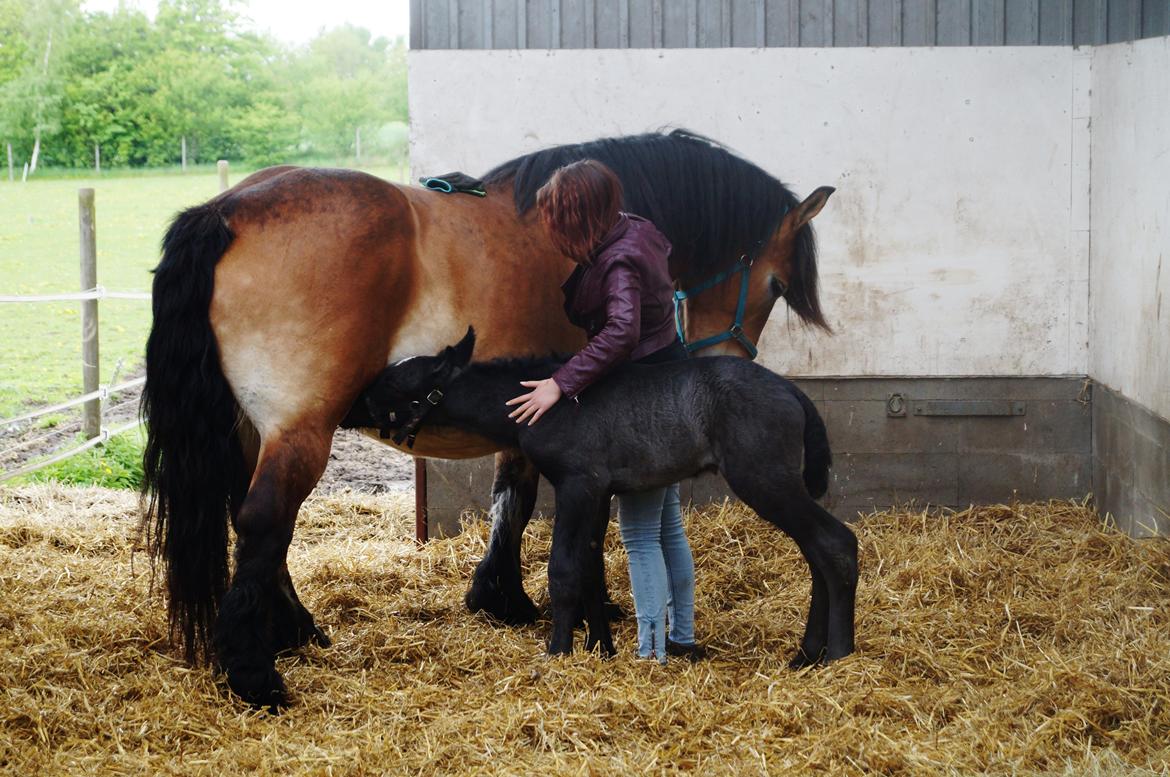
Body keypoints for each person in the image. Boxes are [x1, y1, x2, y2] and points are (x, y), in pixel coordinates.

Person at [505, 159, 704, 663]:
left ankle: (652, 653)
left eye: (556, 217)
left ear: (578, 214)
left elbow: (621, 333)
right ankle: (681, 637)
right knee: (667, 525)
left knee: (640, 532)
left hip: (646, 401)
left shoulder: (618, 261)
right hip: (670, 381)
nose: (551, 228)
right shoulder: (635, 229)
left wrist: (560, 383)